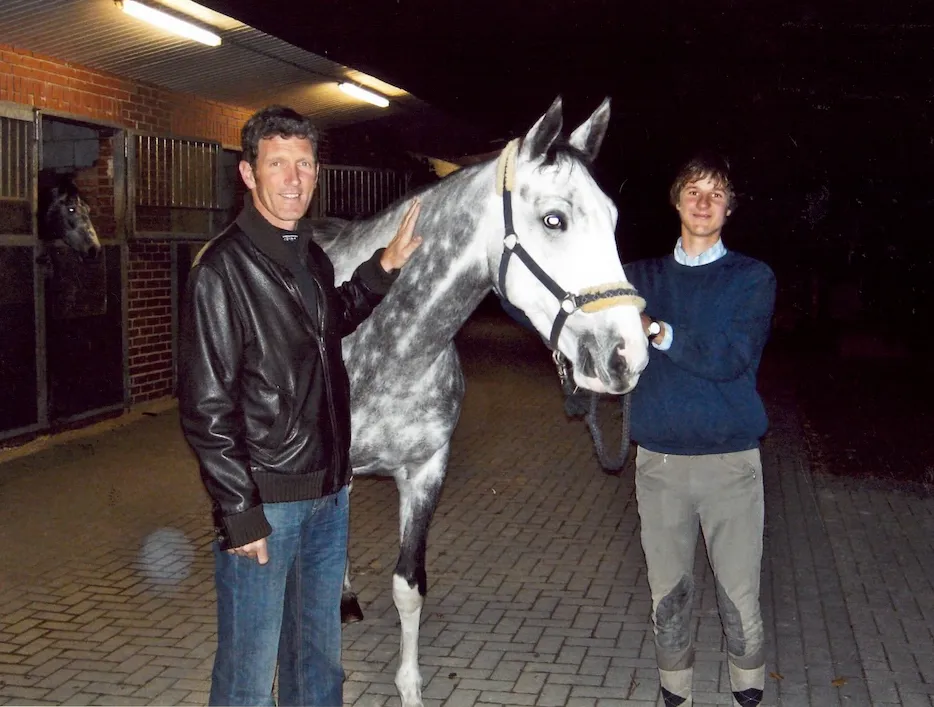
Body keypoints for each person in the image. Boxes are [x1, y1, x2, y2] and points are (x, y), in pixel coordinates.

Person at [178, 105, 422, 707]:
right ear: (248, 174)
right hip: (265, 503)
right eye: (277, 163)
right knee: (248, 676)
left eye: (304, 164)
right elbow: (206, 407)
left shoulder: (309, 256)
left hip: (329, 495)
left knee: (318, 664)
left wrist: (382, 268)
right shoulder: (221, 270)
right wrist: (239, 512)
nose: (293, 178)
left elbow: (327, 322)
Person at [624, 153, 776, 707]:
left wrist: (658, 329)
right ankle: (676, 692)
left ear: (729, 208)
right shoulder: (637, 278)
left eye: (716, 193)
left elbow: (730, 359)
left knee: (739, 597)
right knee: (670, 597)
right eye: (694, 190)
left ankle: (747, 687)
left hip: (730, 465)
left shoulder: (751, 278)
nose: (704, 201)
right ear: (677, 201)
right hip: (658, 466)